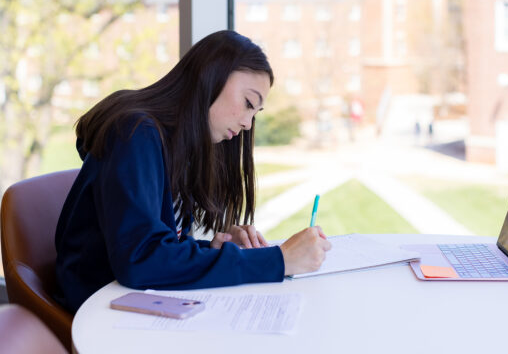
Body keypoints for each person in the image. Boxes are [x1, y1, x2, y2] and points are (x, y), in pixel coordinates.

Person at [53, 30, 332, 314]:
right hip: (98, 311)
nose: (248, 123)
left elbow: (156, 246)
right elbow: (139, 261)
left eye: (255, 113)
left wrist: (211, 251)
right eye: (248, 103)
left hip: (131, 300)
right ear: (210, 77)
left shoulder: (176, 146)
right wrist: (278, 260)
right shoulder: (135, 134)